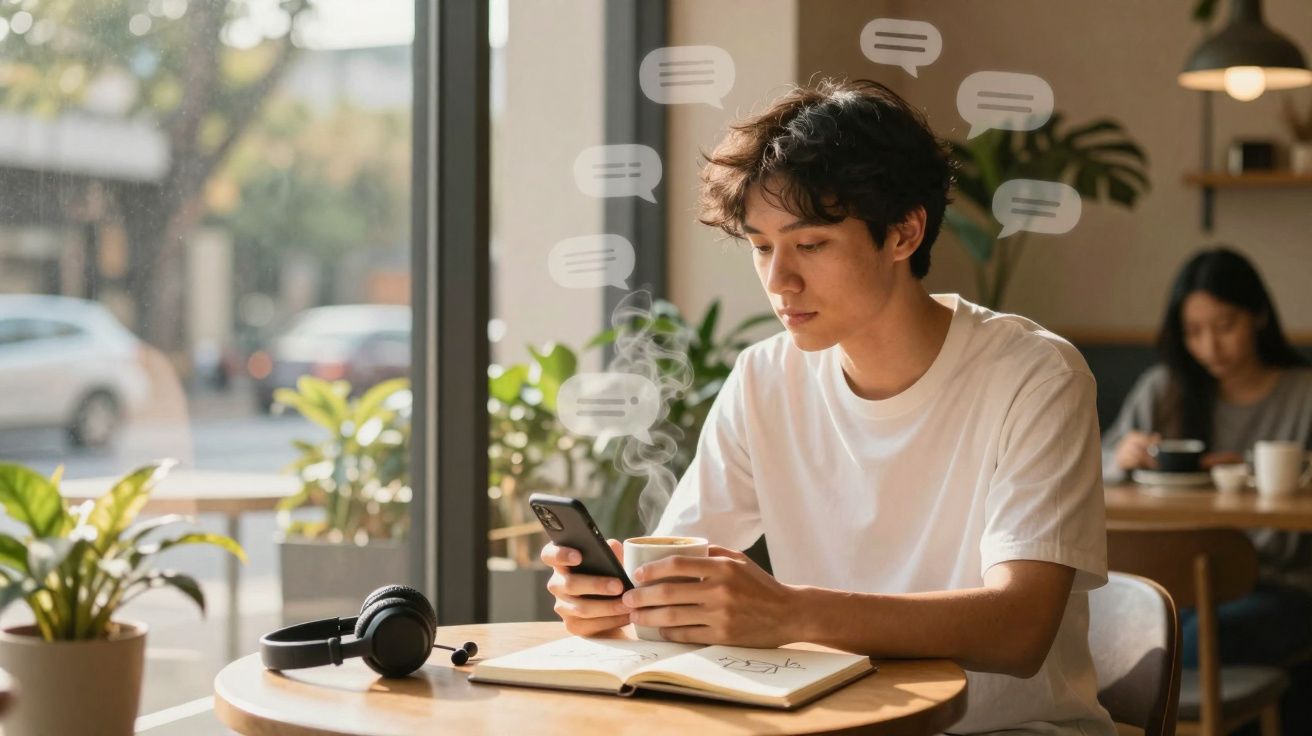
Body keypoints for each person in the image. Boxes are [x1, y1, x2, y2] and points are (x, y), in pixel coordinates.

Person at [541, 78, 1114, 734]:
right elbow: (681, 575)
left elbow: (1019, 629)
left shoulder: (1035, 375)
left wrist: (794, 613)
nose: (779, 280)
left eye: (809, 245)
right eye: (761, 246)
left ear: (903, 234)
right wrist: (617, 600)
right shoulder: (763, 378)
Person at [1103, 246, 1312, 733]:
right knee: (1146, 631)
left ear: (1258, 315)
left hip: (1281, 583)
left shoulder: (1303, 393)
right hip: (1178, 588)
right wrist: (1121, 456)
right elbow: (1095, 462)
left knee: (1186, 641)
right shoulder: (1166, 388)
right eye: (1194, 332)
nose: (1210, 347)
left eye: (1225, 326)